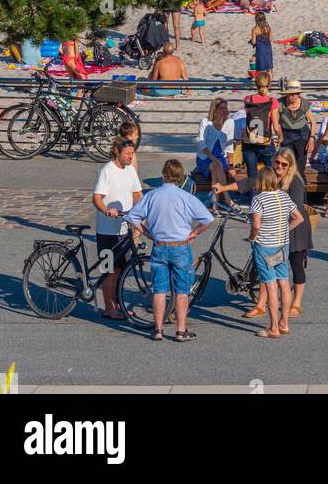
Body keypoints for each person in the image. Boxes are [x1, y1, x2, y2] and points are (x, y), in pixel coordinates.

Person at [125, 159, 214, 341]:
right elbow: (207, 218)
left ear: (164, 175)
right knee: (182, 291)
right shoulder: (186, 197)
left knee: (159, 289)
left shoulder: (152, 195)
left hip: (159, 245)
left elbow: (132, 216)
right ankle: (181, 330)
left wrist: (147, 233)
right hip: (180, 246)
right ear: (181, 178)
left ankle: (158, 329)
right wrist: (194, 233)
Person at [243, 167, 303, 337]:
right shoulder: (284, 196)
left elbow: (256, 225)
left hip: (264, 247)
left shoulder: (258, 200)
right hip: (282, 245)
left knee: (270, 285)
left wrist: (252, 237)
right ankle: (284, 323)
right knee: (283, 283)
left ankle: (273, 328)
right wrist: (285, 229)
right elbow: (298, 218)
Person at [92, 137, 143, 320]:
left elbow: (137, 194)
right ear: (117, 152)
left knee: (120, 269)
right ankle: (108, 308)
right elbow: (97, 197)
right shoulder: (107, 170)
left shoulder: (130, 170)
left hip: (124, 229)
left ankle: (116, 304)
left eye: (132, 153)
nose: (131, 157)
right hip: (107, 230)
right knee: (109, 270)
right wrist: (106, 210)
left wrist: (144, 210)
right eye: (128, 153)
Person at [273, 147, 313, 315]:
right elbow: (253, 182)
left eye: (284, 164)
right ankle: (280, 296)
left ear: (290, 166)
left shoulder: (295, 182)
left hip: (296, 227)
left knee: (296, 264)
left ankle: (296, 303)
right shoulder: (272, 177)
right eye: (277, 162)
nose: (279, 167)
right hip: (279, 227)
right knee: (275, 263)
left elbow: (294, 210)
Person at [243, 74, 282, 180]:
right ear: (269, 85)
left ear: (256, 84)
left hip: (249, 141)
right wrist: (280, 137)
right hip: (265, 142)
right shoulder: (272, 101)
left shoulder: (248, 99)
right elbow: (275, 126)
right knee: (273, 173)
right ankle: (271, 195)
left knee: (252, 177)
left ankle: (254, 196)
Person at [194, 97, 237, 193]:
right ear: (214, 111)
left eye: (225, 108)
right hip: (205, 157)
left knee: (216, 167)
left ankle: (215, 202)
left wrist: (231, 166)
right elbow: (201, 144)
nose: (224, 110)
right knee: (217, 165)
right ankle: (227, 199)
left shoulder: (230, 123)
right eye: (221, 108)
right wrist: (215, 159)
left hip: (220, 157)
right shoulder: (206, 122)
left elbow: (229, 147)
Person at [279, 79, 315, 175]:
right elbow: (275, 122)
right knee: (286, 162)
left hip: (302, 134)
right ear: (286, 94)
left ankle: (300, 187)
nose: (294, 96)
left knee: (300, 165)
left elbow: (313, 122)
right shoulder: (280, 104)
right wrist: (278, 135)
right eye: (291, 94)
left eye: (296, 93)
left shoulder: (303, 103)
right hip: (286, 134)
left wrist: (311, 139)